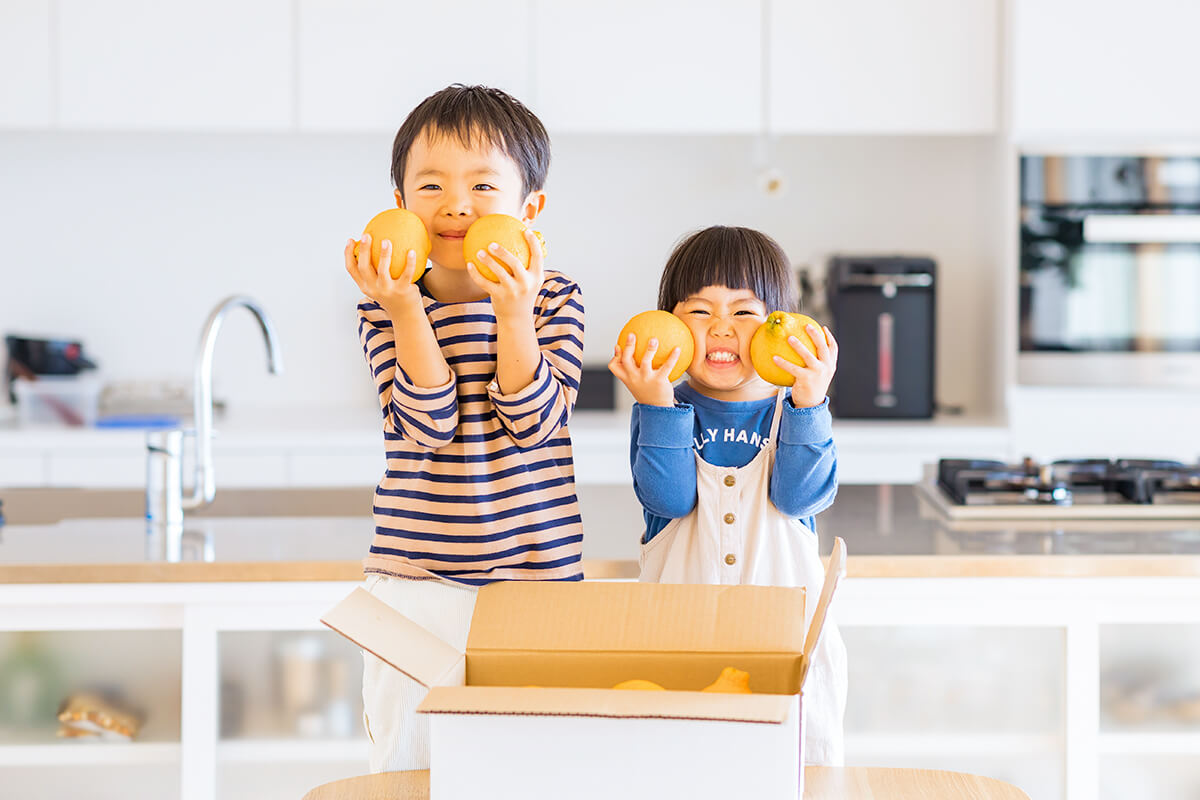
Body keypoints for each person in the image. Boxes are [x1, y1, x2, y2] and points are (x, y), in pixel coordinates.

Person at [343, 84, 585, 772]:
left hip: (536, 585)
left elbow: (535, 422)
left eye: (483, 184)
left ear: (528, 209)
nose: (456, 205)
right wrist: (400, 306)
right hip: (414, 587)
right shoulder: (385, 305)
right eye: (431, 185)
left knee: (536, 770)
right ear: (400, 206)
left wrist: (515, 314)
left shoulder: (555, 298)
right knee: (411, 769)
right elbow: (425, 423)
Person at [608, 224, 847, 765]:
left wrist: (810, 401)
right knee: (681, 770)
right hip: (677, 645)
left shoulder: (795, 410)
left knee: (791, 773)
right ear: (670, 323)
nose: (721, 328)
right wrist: (656, 402)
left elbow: (800, 497)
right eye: (698, 312)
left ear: (782, 325)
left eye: (744, 312)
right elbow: (667, 500)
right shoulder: (661, 406)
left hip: (789, 650)